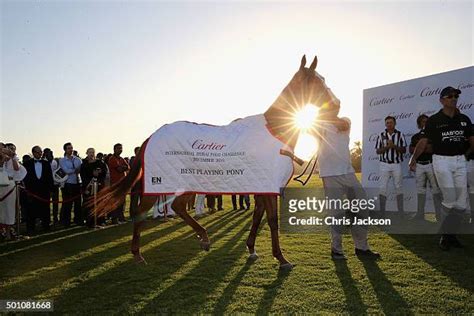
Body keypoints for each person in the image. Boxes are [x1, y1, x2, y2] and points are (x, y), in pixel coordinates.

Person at [313, 104, 380, 260]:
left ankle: (361, 248)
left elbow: (340, 124)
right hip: (329, 174)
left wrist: (323, 115)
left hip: (347, 172)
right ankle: (336, 250)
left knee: (362, 208)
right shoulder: (319, 125)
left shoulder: (345, 121)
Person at [410, 86, 473, 250]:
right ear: (442, 100)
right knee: (451, 198)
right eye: (450, 96)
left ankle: (449, 236)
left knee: (461, 204)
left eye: (456, 96)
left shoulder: (464, 119)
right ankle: (445, 236)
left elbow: (472, 139)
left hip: (460, 161)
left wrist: (466, 154)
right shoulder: (434, 120)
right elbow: (423, 142)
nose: (454, 98)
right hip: (442, 161)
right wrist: (413, 158)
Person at [409, 114, 443, 221]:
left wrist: (420, 148)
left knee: (436, 191)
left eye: (427, 121)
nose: (425, 123)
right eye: (423, 121)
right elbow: (411, 150)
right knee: (421, 191)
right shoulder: (415, 136)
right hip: (419, 165)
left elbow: (432, 149)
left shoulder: (435, 135)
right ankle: (420, 215)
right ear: (419, 124)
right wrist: (423, 148)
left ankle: (439, 215)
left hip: (431, 164)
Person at [375, 116, 407, 217]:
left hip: (396, 164)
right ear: (385, 124)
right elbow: (378, 151)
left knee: (398, 186)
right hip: (384, 164)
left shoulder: (400, 134)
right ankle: (382, 212)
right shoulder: (381, 135)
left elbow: (404, 150)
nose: (389, 124)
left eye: (391, 122)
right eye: (387, 123)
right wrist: (387, 147)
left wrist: (394, 146)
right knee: (382, 187)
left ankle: (400, 212)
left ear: (395, 123)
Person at [23, 146, 54, 234]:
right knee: (31, 210)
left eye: (41, 152)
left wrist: (51, 190)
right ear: (33, 153)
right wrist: (27, 191)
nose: (40, 154)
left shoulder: (46, 163)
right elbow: (25, 178)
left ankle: (46, 226)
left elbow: (49, 177)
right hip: (32, 191)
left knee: (45, 209)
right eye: (38, 152)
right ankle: (31, 228)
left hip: (44, 191)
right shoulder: (27, 164)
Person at [0, 143, 26, 240]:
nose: (12, 150)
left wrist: (13, 157)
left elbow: (16, 168)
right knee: (1, 210)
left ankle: (8, 233)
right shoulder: (2, 157)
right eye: (10, 148)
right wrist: (3, 158)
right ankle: (2, 231)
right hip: (1, 184)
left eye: (14, 149)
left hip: (10, 185)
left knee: (10, 209)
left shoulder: (14, 159)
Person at [80, 148, 107, 227]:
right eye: (90, 152)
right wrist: (89, 183)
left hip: (98, 187)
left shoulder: (100, 163)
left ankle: (100, 221)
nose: (91, 154)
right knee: (89, 204)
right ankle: (90, 222)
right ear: (87, 153)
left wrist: (99, 173)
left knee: (99, 204)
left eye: (93, 152)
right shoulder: (84, 164)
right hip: (88, 187)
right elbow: (83, 176)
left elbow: (104, 173)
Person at [59, 142, 83, 227]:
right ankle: (66, 221)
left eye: (71, 148)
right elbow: (66, 171)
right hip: (68, 184)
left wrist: (73, 170)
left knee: (78, 203)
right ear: (65, 150)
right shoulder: (62, 160)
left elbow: (81, 169)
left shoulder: (78, 159)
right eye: (69, 148)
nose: (71, 150)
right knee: (68, 204)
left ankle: (78, 220)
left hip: (77, 183)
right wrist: (75, 170)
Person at [107, 143, 130, 223]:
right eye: (118, 148)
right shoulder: (112, 159)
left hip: (122, 183)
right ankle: (114, 218)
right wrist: (124, 167)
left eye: (121, 148)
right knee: (115, 201)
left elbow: (128, 167)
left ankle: (121, 217)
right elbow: (119, 169)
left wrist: (123, 167)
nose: (120, 150)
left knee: (122, 201)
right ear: (114, 149)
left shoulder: (121, 159)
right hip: (115, 183)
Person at [43, 148, 60, 225]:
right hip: (46, 185)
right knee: (46, 203)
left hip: (55, 184)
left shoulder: (55, 162)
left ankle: (55, 218)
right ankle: (46, 219)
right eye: (46, 153)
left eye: (49, 153)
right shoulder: (43, 162)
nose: (48, 155)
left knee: (55, 202)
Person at [129, 146, 141, 217]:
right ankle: (133, 214)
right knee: (134, 199)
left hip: (142, 183)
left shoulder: (142, 158)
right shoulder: (133, 159)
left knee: (142, 199)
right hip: (135, 183)